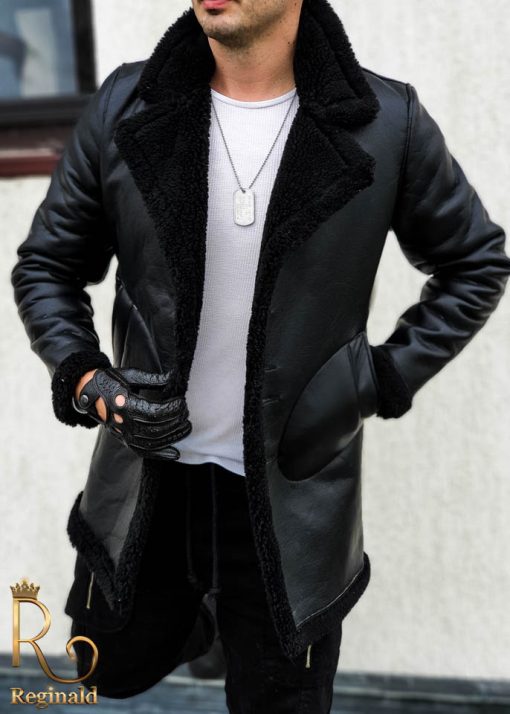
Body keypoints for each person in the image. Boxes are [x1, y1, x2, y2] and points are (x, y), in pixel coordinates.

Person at [10, 0, 510, 711]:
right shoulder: (127, 102)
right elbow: (47, 265)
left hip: (291, 495)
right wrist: (88, 379)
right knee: (104, 668)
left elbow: (475, 262)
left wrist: (377, 379)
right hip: (149, 475)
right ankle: (204, 621)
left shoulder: (386, 122)